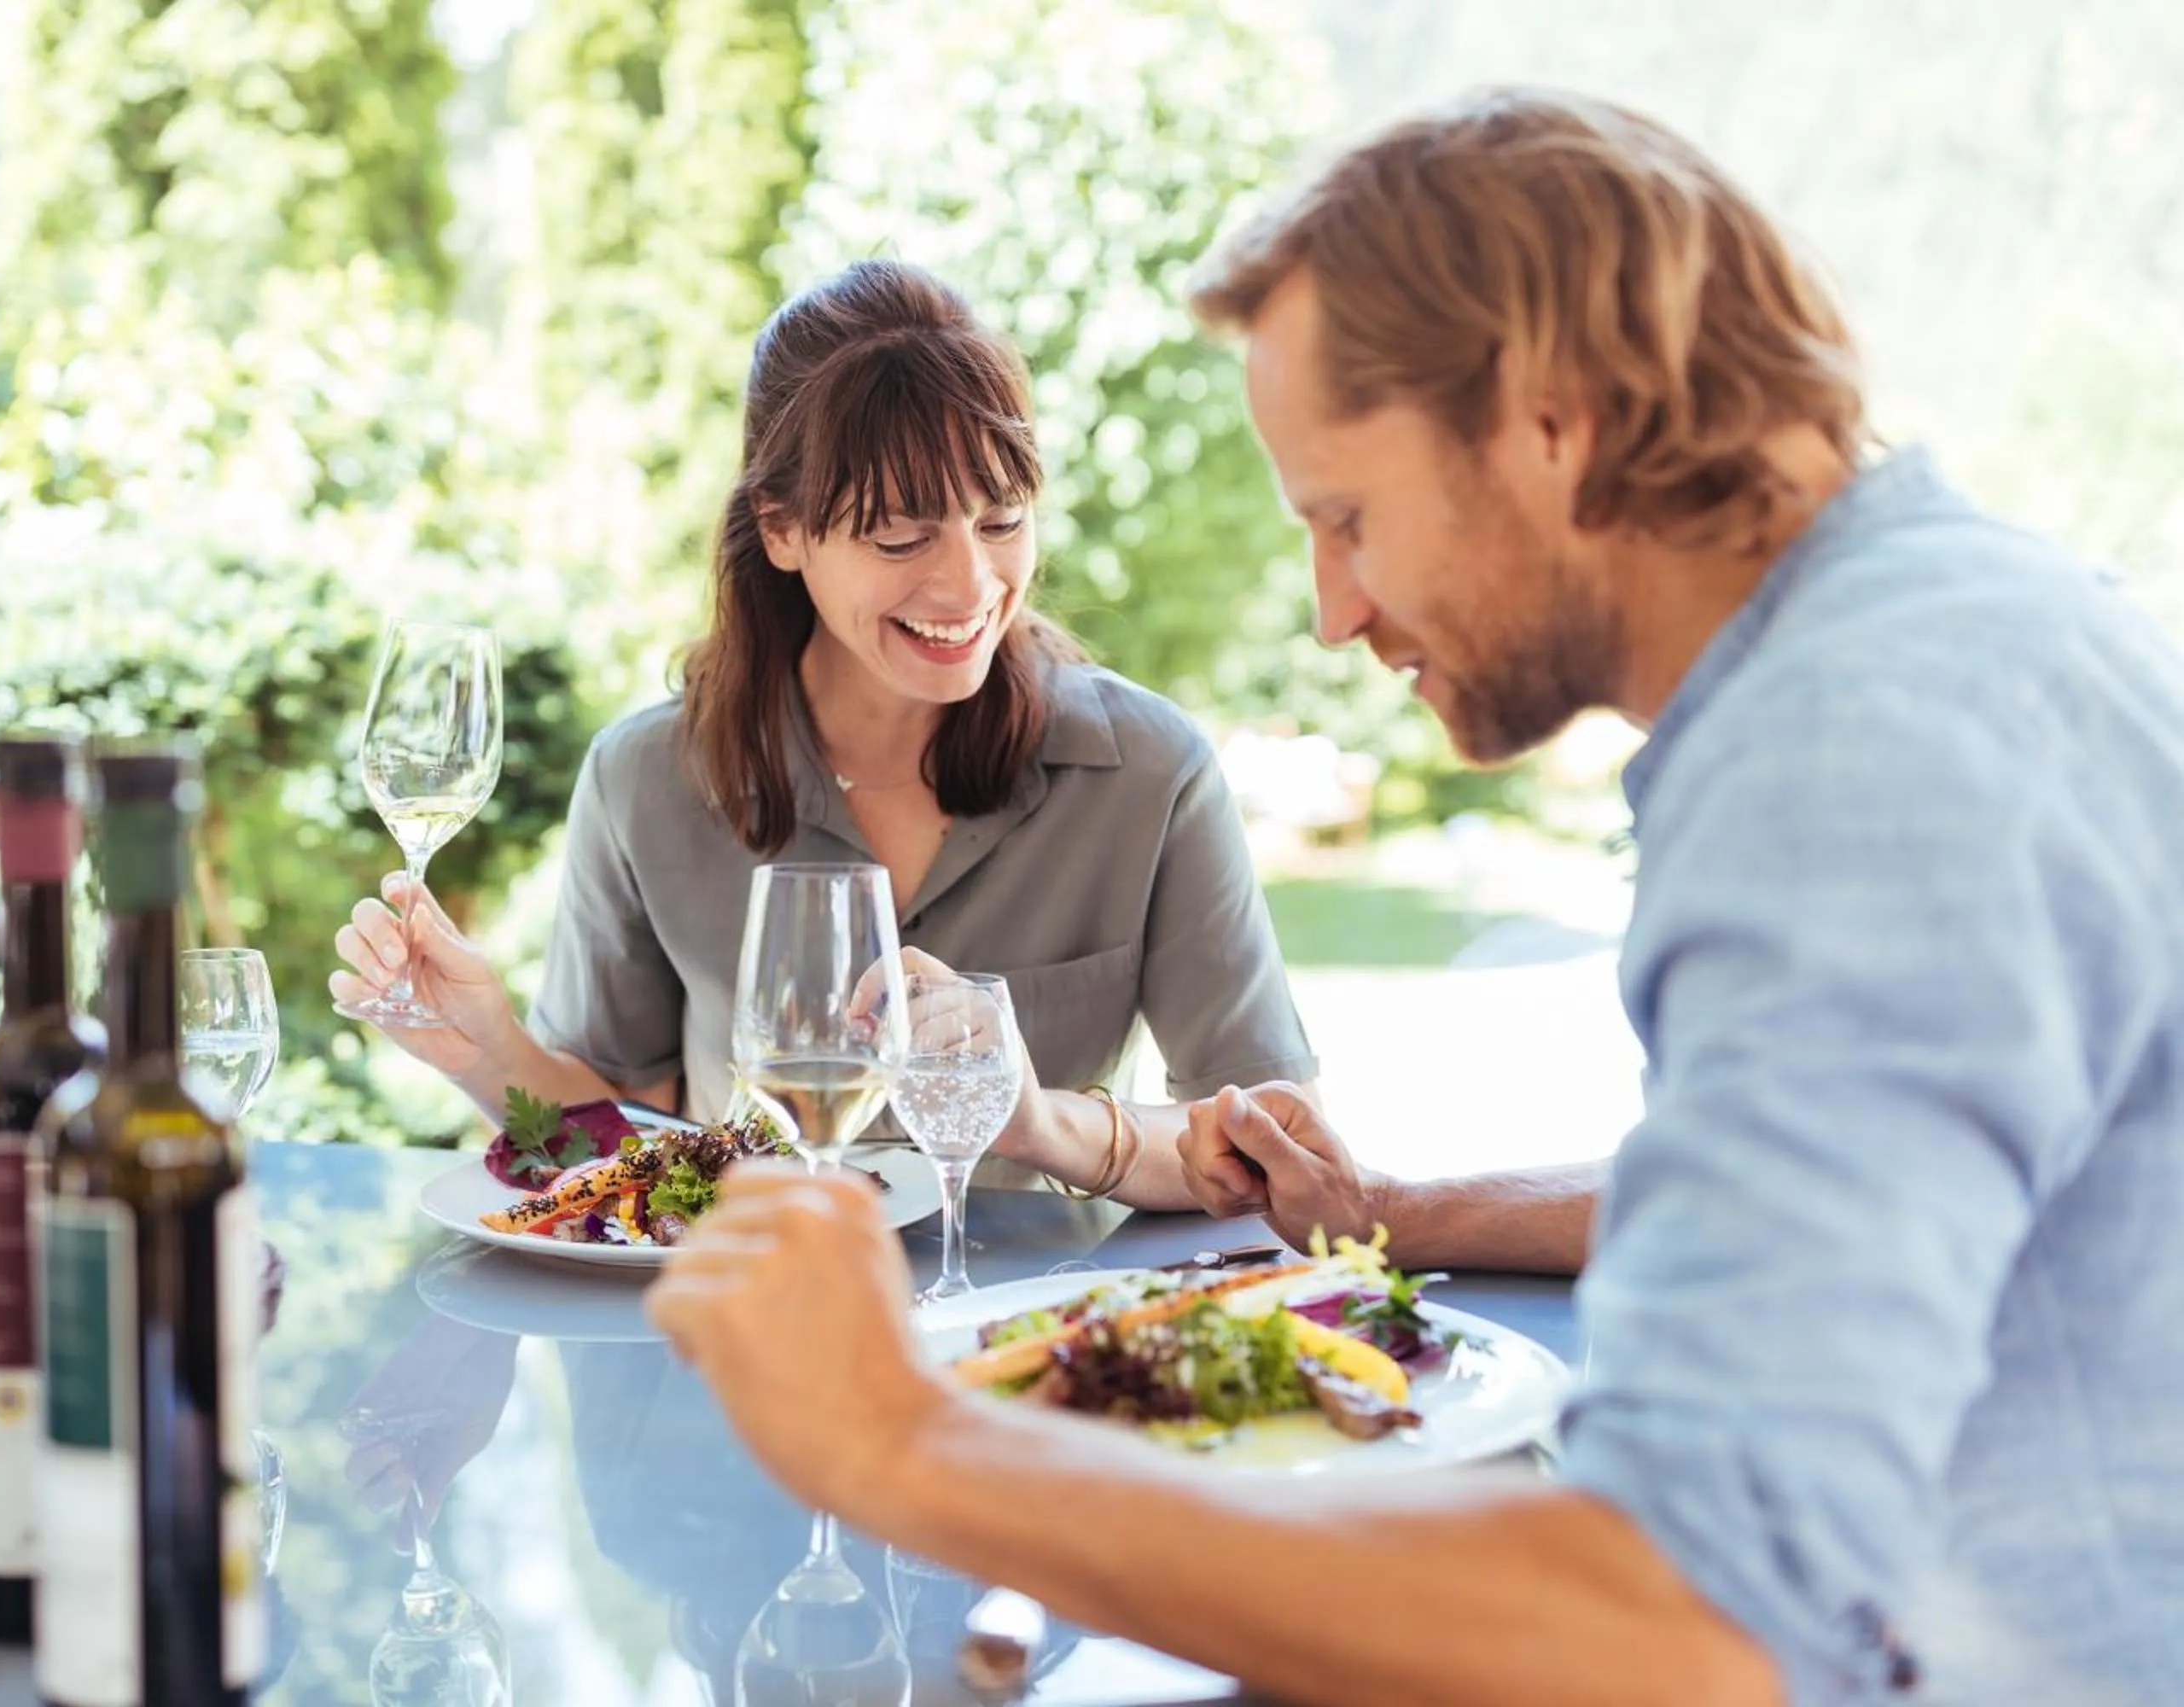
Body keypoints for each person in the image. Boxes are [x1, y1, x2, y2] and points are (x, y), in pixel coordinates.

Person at [644, 88, 2184, 1706]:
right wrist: (1402, 1211)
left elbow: (1670, 1627)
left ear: (1548, 423)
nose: (1331, 610)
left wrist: (904, 1445)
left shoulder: (1852, 760)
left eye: (1350, 517)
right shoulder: (1960, 639)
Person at [334, 256, 1590, 1269]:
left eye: (1002, 522)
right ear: (780, 531)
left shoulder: (1148, 774)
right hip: (734, 1393)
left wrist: (1039, 1121)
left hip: (1041, 1393)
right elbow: (616, 1151)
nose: (969, 586)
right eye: (897, 537)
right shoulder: (648, 781)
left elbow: (1281, 1156)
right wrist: (488, 1049)